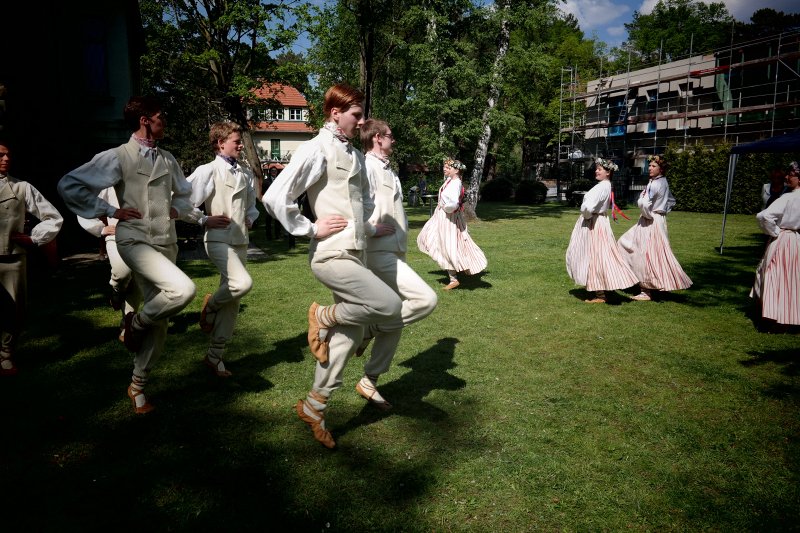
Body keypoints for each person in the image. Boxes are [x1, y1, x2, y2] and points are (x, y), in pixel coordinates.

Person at [263, 83, 402, 449]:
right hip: (330, 255)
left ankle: (314, 406)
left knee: (352, 336)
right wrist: (309, 227)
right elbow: (276, 196)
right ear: (335, 113)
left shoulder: (355, 155)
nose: (361, 121)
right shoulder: (315, 147)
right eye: (356, 114)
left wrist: (368, 226)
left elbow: (365, 203)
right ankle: (323, 316)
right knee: (389, 306)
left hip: (356, 255)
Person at [58, 96, 197, 414]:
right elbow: (71, 185)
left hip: (167, 243)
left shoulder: (168, 158)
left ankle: (137, 385)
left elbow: (187, 193)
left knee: (161, 323)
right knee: (184, 290)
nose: (165, 120)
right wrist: (108, 212)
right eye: (160, 116)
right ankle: (136, 323)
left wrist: (180, 209)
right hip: (135, 243)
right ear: (145, 120)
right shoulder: (117, 157)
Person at [356, 118, 438, 410]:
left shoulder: (385, 167)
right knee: (425, 299)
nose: (394, 140)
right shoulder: (365, 166)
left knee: (397, 322)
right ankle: (365, 330)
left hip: (395, 250)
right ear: (378, 138)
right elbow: (352, 207)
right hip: (379, 252)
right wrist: (371, 229)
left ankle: (370, 380)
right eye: (390, 135)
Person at [187, 121, 259, 378]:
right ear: (220, 143)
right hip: (217, 240)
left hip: (240, 240)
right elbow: (184, 202)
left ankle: (215, 356)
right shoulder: (207, 171)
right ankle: (211, 306)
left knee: (235, 300)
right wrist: (204, 219)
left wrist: (251, 217)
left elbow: (252, 205)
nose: (241, 145)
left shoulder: (245, 173)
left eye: (240, 141)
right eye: (236, 141)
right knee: (241, 284)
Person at [0, 139, 63, 376]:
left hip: (12, 257)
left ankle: (6, 354)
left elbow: (53, 217)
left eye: (8, 155)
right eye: (1, 155)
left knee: (14, 310)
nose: (6, 159)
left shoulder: (21, 187)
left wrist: (33, 238)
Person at [617, 154, 692, 301]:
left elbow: (644, 204)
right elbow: (670, 200)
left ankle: (647, 290)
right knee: (631, 244)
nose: (650, 168)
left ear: (661, 169)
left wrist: (649, 213)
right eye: (649, 165)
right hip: (656, 219)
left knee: (646, 253)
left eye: (653, 166)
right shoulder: (662, 182)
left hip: (650, 221)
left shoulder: (656, 183)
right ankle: (641, 281)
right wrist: (660, 213)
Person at [565, 158, 638, 303]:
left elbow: (588, 207)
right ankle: (602, 287)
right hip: (598, 221)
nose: (596, 171)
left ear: (608, 172)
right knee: (598, 254)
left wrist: (585, 216)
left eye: (600, 169)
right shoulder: (604, 186)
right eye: (596, 168)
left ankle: (600, 294)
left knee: (595, 255)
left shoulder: (602, 186)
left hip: (594, 222)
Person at [76, 186, 140, 341]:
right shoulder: (109, 178)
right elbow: (83, 201)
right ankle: (116, 292)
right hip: (116, 236)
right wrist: (101, 229)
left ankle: (127, 325)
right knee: (122, 272)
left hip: (142, 237)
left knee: (136, 280)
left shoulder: (146, 172)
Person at [416, 158, 487, 290]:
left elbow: (453, 204)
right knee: (431, 239)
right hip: (442, 217)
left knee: (448, 246)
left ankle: (454, 277)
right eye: (445, 167)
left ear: (456, 170)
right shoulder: (450, 181)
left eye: (448, 167)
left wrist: (445, 207)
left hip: (448, 218)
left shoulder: (456, 184)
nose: (445, 169)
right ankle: (455, 270)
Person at [751, 160, 800, 330]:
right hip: (796, 240)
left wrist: (774, 232)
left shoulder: (788, 197)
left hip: (783, 238)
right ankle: (790, 314)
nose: (787, 177)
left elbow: (764, 216)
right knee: (792, 277)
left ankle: (773, 314)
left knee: (773, 274)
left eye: (791, 175)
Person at [262, 166, 284, 240]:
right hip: (268, 202)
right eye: (272, 170)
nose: (274, 172)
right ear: (270, 172)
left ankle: (277, 235)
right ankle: (269, 236)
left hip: (277, 202)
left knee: (277, 220)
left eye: (275, 171)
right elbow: (263, 192)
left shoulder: (280, 180)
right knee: (268, 220)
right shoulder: (266, 181)